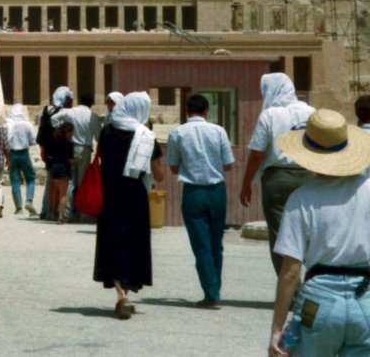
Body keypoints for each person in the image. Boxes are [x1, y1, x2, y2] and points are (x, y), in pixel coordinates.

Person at [268, 109, 370, 356]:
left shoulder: (302, 199)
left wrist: (277, 327)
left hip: (319, 301)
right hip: (366, 298)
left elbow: (290, 272)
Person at [93, 91, 165, 319]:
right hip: (135, 195)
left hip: (110, 193)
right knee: (132, 244)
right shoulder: (146, 136)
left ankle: (121, 294)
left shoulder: (107, 132)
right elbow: (160, 175)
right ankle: (125, 292)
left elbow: (101, 158)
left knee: (112, 242)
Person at [239, 73, 316, 274]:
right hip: (309, 176)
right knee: (311, 232)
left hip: (278, 179)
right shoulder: (311, 112)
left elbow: (257, 153)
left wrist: (247, 183)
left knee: (280, 235)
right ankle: (316, 286)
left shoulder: (270, 115)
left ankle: (290, 290)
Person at [165, 93, 235, 308]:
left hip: (193, 191)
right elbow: (229, 164)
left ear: (188, 111)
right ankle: (215, 288)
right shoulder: (219, 131)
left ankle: (211, 292)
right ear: (206, 111)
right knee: (216, 245)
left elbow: (174, 167)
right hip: (217, 191)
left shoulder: (178, 132)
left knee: (201, 246)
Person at [52, 92, 101, 222]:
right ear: (91, 103)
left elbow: (54, 119)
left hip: (70, 147)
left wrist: (60, 130)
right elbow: (98, 137)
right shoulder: (93, 116)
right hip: (84, 149)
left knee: (70, 182)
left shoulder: (70, 112)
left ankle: (65, 214)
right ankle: (81, 214)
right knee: (81, 182)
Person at [39, 87, 73, 220]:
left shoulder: (46, 110)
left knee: (51, 183)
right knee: (62, 186)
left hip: (49, 150)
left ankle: (47, 211)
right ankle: (60, 213)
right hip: (61, 151)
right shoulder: (63, 112)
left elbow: (41, 132)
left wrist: (42, 149)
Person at [5, 103, 37, 216]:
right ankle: (29, 200)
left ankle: (18, 208)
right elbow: (33, 141)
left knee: (15, 181)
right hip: (24, 153)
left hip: (12, 154)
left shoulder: (7, 125)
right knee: (31, 178)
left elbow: (5, 141)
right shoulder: (27, 124)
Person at [47, 122, 75, 224]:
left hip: (54, 168)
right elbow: (71, 159)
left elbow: (49, 156)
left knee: (54, 191)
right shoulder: (69, 144)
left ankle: (52, 213)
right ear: (68, 132)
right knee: (63, 194)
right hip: (64, 169)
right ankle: (60, 217)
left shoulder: (53, 141)